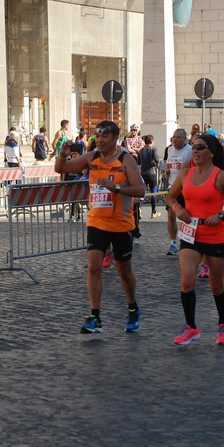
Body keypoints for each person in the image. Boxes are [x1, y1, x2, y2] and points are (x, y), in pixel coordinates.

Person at [54, 120, 145, 334]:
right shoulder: (92, 157)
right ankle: (95, 316)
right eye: (98, 136)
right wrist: (63, 154)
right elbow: (62, 168)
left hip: (121, 224)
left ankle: (132, 307)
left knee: (124, 272)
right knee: (94, 265)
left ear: (115, 138)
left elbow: (140, 189)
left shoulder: (125, 160)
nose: (101, 140)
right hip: (97, 220)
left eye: (106, 137)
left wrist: (116, 187)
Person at [165, 134, 224, 346]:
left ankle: (223, 323)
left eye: (200, 147)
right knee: (186, 282)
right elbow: (170, 196)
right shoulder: (185, 173)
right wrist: (177, 208)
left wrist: (221, 215)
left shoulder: (220, 176)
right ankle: (191, 327)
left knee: (216, 286)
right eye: (193, 147)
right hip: (190, 235)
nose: (195, 151)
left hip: (215, 236)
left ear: (211, 152)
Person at [165, 128, 192, 256]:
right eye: (174, 137)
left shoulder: (190, 150)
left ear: (185, 139)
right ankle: (173, 243)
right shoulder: (169, 149)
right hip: (172, 187)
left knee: (187, 216)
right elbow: (167, 163)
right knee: (171, 214)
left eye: (178, 137)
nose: (175, 140)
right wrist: (166, 171)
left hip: (187, 187)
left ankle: (189, 242)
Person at [138, 134, 160, 218]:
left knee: (143, 192)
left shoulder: (141, 151)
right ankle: (153, 212)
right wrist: (156, 163)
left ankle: (140, 208)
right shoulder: (153, 149)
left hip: (143, 174)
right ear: (152, 141)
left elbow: (139, 163)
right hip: (151, 173)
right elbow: (156, 158)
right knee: (153, 192)